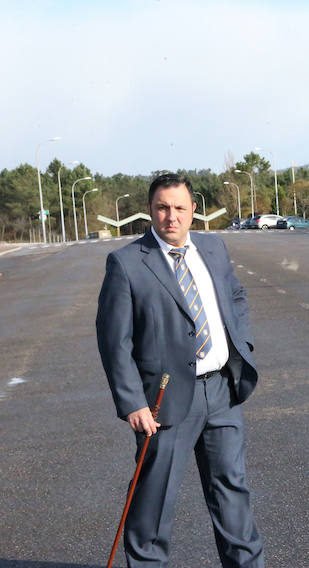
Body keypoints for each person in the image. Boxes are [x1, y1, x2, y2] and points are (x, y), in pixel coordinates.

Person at [96, 173, 264, 567]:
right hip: (163, 401)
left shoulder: (213, 247)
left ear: (193, 211)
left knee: (232, 492)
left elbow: (235, 295)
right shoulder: (126, 263)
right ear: (151, 210)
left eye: (180, 208)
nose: (171, 216)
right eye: (162, 207)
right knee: (153, 501)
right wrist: (132, 402)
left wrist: (243, 344)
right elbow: (113, 340)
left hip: (221, 390)